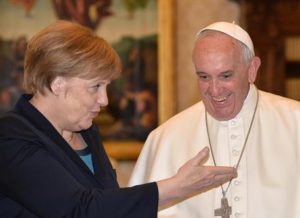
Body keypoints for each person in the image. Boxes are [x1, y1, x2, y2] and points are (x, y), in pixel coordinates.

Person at [0, 20, 237, 217]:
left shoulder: (86, 132)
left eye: (107, 86)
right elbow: (79, 210)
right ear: (57, 83)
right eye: (95, 86)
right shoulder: (11, 136)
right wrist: (175, 187)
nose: (104, 100)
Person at [129, 21, 300, 218]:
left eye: (226, 76)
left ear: (252, 69)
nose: (215, 90)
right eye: (204, 77)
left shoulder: (295, 123)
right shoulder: (166, 137)